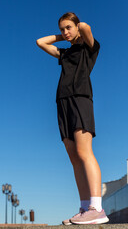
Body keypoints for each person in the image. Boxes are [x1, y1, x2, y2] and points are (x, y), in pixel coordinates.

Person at [36, 12, 109, 225]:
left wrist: (75, 31)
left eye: (68, 27)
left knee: (84, 152)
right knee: (73, 157)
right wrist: (64, 37)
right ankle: (86, 207)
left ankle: (97, 208)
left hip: (80, 99)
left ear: (76, 27)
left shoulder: (89, 48)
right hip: (63, 102)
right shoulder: (65, 54)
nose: (64, 32)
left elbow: (85, 26)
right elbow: (40, 42)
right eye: (61, 29)